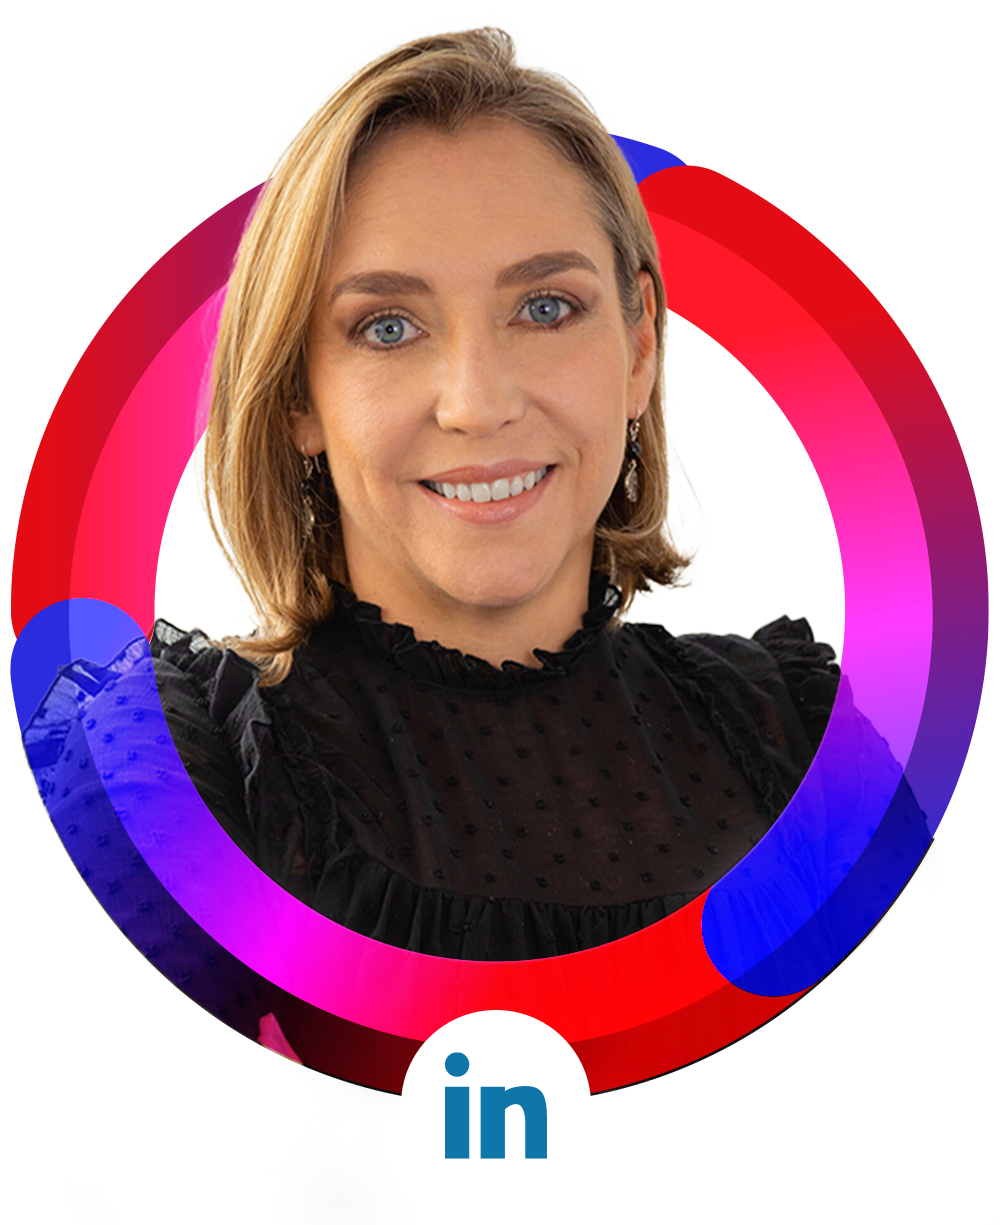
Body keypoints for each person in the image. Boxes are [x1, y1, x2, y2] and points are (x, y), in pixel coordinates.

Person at [29, 23, 937, 1092]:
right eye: (387, 326)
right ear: (297, 395)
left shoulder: (806, 735)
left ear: (638, 346)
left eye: (546, 308)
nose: (478, 403)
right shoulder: (164, 769)